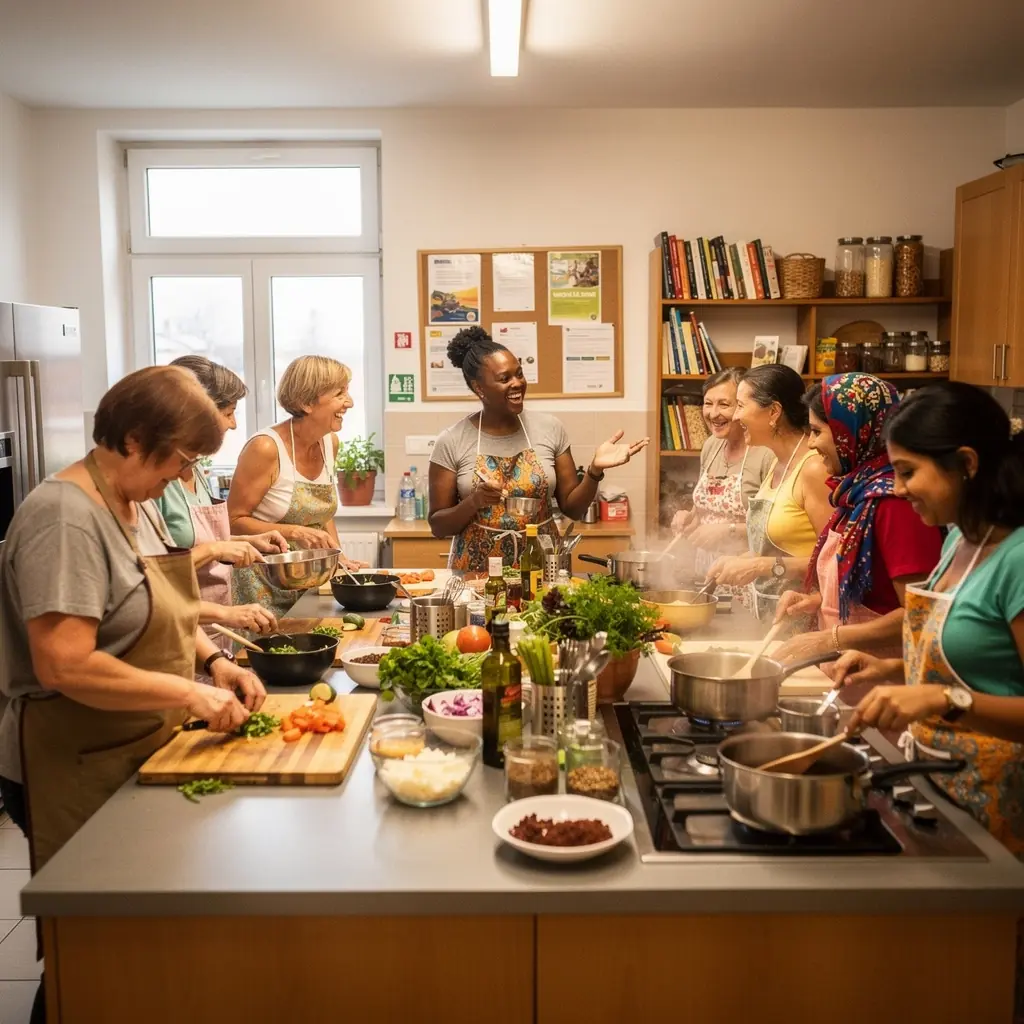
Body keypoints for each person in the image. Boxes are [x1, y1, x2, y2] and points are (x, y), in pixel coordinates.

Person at [0, 367, 264, 1024]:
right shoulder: (63, 517)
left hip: (133, 743)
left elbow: (148, 608)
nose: (182, 479)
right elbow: (64, 663)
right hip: (74, 758)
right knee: (87, 943)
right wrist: (187, 692)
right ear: (134, 438)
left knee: (137, 938)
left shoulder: (129, 500)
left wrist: (210, 661)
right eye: (179, 462)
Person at [827, 382, 1024, 854]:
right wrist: (894, 669)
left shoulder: (1017, 560)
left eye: (908, 472)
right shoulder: (959, 539)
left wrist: (941, 697)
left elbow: (963, 693)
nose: (897, 489)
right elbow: (982, 666)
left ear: (967, 464)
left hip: (1002, 811)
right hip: (942, 788)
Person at [428, 326, 648, 571]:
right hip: (477, 574)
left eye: (519, 374)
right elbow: (438, 526)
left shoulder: (549, 428)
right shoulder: (452, 440)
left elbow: (573, 509)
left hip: (542, 570)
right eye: (504, 379)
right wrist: (475, 501)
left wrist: (594, 471)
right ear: (479, 388)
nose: (517, 384)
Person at [772, 373, 942, 673]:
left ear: (848, 432)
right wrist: (816, 601)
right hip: (846, 672)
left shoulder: (895, 504)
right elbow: (870, 592)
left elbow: (921, 613)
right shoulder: (852, 494)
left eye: (816, 431)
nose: (811, 444)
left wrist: (831, 638)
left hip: (884, 679)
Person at [154, 356, 289, 648]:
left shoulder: (197, 469)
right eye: (227, 412)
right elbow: (150, 575)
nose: (233, 423)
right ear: (195, 413)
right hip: (175, 633)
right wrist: (217, 548)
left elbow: (197, 542)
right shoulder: (154, 483)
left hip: (214, 629)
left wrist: (246, 543)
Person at [228, 355, 365, 619]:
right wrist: (293, 531)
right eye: (340, 394)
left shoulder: (330, 443)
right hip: (263, 585)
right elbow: (232, 520)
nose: (349, 402)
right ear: (306, 403)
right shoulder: (265, 448)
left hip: (307, 582)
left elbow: (322, 517)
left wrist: (338, 559)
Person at [705, 364, 832, 620]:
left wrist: (761, 566)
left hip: (806, 616)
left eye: (740, 406)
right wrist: (738, 559)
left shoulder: (814, 468)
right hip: (772, 616)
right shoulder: (778, 461)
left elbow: (834, 561)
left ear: (773, 411)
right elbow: (779, 546)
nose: (735, 417)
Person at [670, 367, 773, 601]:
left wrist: (727, 531)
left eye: (724, 405)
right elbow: (704, 511)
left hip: (748, 573)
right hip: (707, 571)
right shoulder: (710, 447)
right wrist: (689, 518)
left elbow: (775, 530)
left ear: (743, 407)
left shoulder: (766, 453)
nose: (713, 413)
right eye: (708, 403)